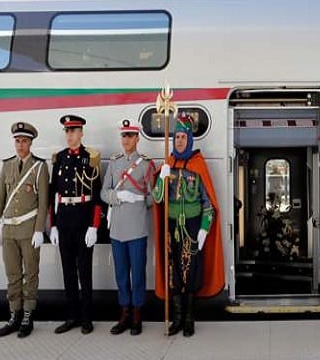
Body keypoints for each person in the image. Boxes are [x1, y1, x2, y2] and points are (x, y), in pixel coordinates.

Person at [153, 112, 224, 337]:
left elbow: (208, 203)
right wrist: (162, 179)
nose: (179, 141)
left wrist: (204, 229)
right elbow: (156, 199)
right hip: (172, 229)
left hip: (193, 228)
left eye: (183, 137)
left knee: (191, 273)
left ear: (190, 139)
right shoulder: (168, 164)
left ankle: (190, 318)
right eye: (176, 138)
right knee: (174, 272)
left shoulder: (198, 165)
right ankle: (176, 318)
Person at [0, 122, 50, 338]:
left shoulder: (39, 167)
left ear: (31, 143)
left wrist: (39, 230)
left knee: (30, 273)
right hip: (9, 231)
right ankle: (14, 315)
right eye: (17, 141)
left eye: (24, 141)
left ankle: (27, 316)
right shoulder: (7, 165)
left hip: (28, 228)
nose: (20, 145)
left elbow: (43, 202)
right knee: (12, 274)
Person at [100, 119, 157, 335]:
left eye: (130, 136)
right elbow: (103, 192)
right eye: (123, 136)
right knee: (121, 273)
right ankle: (124, 312)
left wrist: (139, 199)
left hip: (137, 228)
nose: (126, 140)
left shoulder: (145, 164)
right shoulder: (114, 163)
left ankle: (137, 314)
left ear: (137, 138)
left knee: (138, 274)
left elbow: (154, 197)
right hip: (117, 230)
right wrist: (117, 195)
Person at [49, 114, 103, 334]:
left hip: (83, 219)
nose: (69, 135)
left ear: (81, 133)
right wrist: (52, 225)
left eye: (73, 131)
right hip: (64, 220)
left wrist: (94, 226)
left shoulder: (90, 158)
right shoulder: (59, 158)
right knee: (68, 271)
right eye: (67, 131)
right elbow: (54, 195)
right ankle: (72, 316)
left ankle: (87, 317)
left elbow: (97, 195)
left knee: (84, 271)